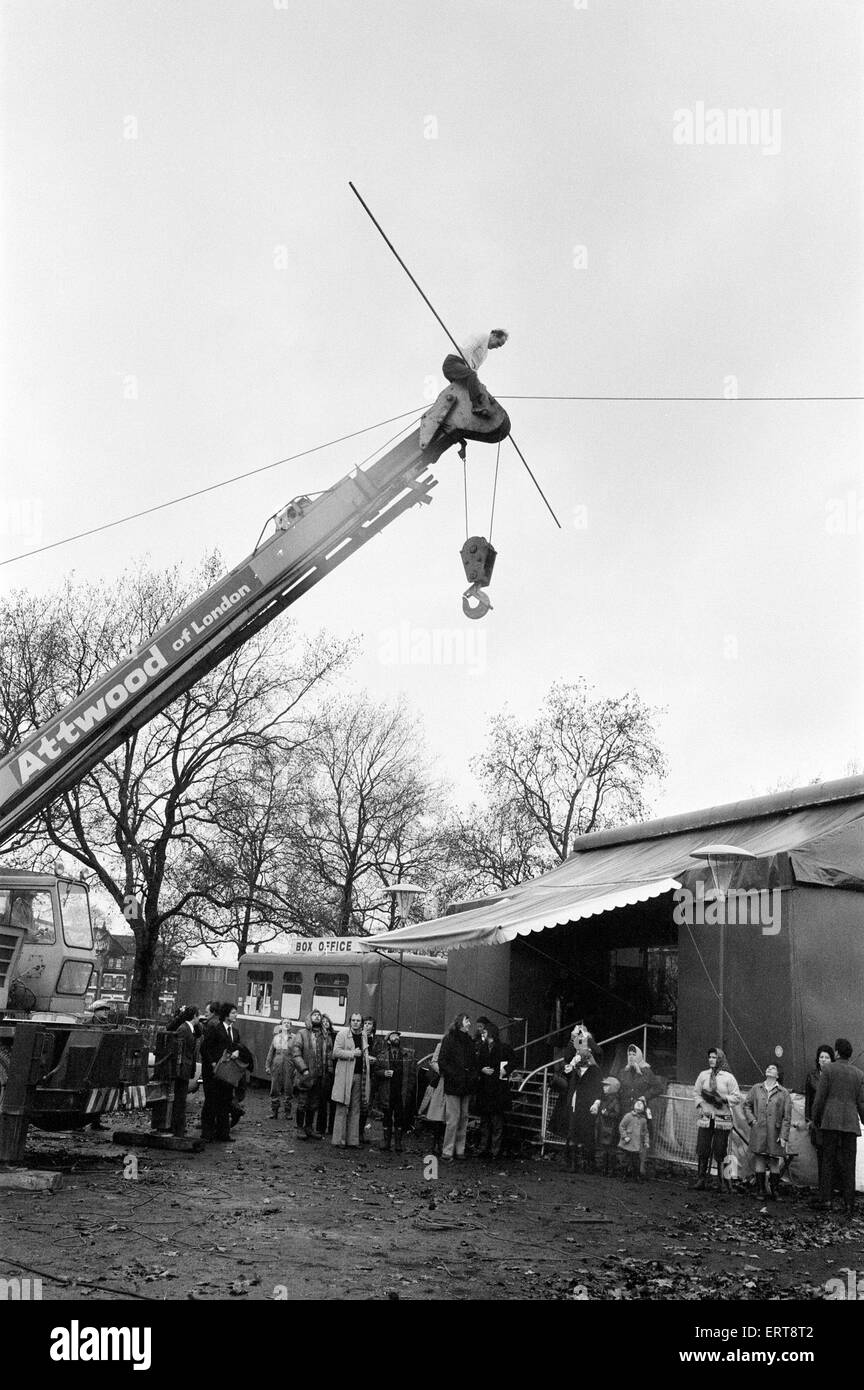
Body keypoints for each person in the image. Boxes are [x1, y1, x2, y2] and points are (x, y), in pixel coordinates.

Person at [811, 1037, 864, 1218]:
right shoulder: (858, 1074)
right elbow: (861, 1102)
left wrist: (815, 1118)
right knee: (849, 1164)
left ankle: (826, 1200)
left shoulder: (828, 1070)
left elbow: (820, 1098)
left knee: (828, 1161)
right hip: (850, 1123)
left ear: (836, 1053)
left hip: (830, 1121)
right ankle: (849, 1204)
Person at [692, 1047, 741, 1194]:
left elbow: (737, 1097)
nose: (711, 1060)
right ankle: (701, 1179)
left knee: (721, 1150)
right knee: (702, 1148)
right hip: (707, 1118)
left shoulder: (728, 1077)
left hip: (722, 1119)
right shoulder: (703, 1075)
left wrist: (723, 1098)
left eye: (714, 1057)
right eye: (710, 1057)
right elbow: (696, 1092)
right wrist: (701, 1104)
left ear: (720, 1058)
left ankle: (723, 1182)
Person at [744, 1064, 792, 1200]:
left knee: (774, 1161)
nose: (769, 1069)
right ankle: (760, 1190)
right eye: (768, 1067)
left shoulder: (784, 1093)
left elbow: (787, 1117)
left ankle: (775, 1191)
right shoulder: (756, 1088)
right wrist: (752, 1120)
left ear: (778, 1075)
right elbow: (746, 1105)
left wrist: (783, 1135)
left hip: (774, 1132)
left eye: (773, 1068)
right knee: (759, 1157)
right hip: (759, 1130)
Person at [152, 1004, 200, 1138]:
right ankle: (177, 1128)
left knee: (180, 1100)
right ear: (195, 1016)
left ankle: (178, 1127)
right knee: (179, 1100)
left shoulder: (190, 1028)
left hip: (185, 1068)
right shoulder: (184, 1029)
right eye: (198, 1015)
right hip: (182, 1069)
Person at [200, 1001, 242, 1143]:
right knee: (211, 1102)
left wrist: (237, 1051)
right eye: (233, 1013)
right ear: (226, 1015)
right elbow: (205, 1048)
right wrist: (212, 1062)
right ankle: (207, 1133)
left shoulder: (235, 1033)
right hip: (213, 1073)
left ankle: (223, 1133)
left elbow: (237, 1047)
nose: (236, 1015)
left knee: (225, 1101)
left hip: (227, 1073)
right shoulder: (216, 1029)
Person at [437, 1014, 477, 1162]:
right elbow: (443, 1061)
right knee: (454, 1119)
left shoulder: (467, 1041)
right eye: (467, 1020)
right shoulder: (450, 1039)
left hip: (463, 1084)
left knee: (462, 1118)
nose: (469, 1023)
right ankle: (449, 1150)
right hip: (455, 1084)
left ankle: (458, 1149)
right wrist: (458, 1075)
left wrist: (470, 1076)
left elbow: (474, 1062)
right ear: (461, 1023)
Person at [441, 329, 508, 418]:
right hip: (453, 363)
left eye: (500, 346)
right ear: (494, 335)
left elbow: (475, 369)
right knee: (471, 376)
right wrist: (471, 371)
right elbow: (468, 349)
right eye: (498, 343)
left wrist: (478, 384)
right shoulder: (483, 336)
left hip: (463, 368)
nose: (497, 347)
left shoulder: (485, 354)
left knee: (477, 386)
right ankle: (477, 406)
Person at [474, 1020, 514, 1163]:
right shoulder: (489, 1047)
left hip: (495, 1088)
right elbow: (477, 1064)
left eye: (484, 1032)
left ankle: (491, 1149)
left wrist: (505, 1070)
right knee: (488, 1121)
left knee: (494, 1121)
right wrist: (482, 1069)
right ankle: (488, 1148)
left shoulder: (501, 1048)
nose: (482, 1034)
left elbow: (513, 1061)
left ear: (490, 1033)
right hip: (490, 1088)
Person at [291, 1010, 330, 1139]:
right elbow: (296, 1053)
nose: (317, 1017)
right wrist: (304, 1069)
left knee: (313, 1104)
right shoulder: (302, 1034)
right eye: (315, 1015)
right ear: (309, 1018)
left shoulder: (324, 1035)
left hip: (319, 1076)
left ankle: (309, 1128)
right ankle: (300, 1129)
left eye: (319, 1015)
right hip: (305, 1076)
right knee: (302, 1103)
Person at [331, 1011, 367, 1148]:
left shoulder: (363, 1036)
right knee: (341, 1106)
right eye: (353, 1020)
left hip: (359, 1075)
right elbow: (335, 1052)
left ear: (361, 1023)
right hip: (344, 1075)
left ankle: (353, 1140)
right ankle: (339, 1140)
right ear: (350, 1022)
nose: (356, 1023)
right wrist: (353, 1053)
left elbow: (363, 1054)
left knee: (356, 1108)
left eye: (358, 1020)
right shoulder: (342, 1034)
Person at [565, 1046, 604, 1172]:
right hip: (574, 1105)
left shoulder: (595, 1071)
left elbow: (599, 1089)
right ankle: (572, 1164)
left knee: (587, 1135)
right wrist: (571, 1064)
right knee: (572, 1133)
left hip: (587, 1106)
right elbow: (564, 1074)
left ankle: (588, 1165)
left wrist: (596, 1103)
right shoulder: (574, 1069)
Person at [375, 1031, 416, 1153]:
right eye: (393, 1037)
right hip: (387, 1091)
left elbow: (412, 1075)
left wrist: (409, 1091)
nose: (396, 1038)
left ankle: (398, 1143)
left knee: (399, 1117)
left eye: (398, 1036)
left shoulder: (407, 1055)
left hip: (401, 1092)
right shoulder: (382, 1055)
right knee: (387, 1117)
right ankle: (386, 1142)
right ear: (388, 1041)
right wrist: (384, 1073)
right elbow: (376, 1071)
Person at [804, 1044, 835, 1191]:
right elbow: (809, 1100)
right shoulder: (812, 1076)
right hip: (817, 1122)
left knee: (834, 1156)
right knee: (821, 1155)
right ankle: (823, 1190)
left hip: (833, 1121)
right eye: (821, 1057)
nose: (823, 1060)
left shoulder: (835, 1075)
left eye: (827, 1057)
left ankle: (833, 1188)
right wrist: (808, 1120)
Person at [265, 1021, 298, 1121]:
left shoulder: (294, 1038)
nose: (286, 1024)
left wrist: (297, 1068)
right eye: (284, 1022)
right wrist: (267, 1065)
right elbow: (271, 1052)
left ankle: (287, 1113)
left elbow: (297, 1054)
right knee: (274, 1088)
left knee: (288, 1088)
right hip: (277, 1063)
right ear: (280, 1025)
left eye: (288, 1023)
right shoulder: (276, 1038)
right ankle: (274, 1112)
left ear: (291, 1026)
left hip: (289, 1063)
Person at [593, 1076, 622, 1175]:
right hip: (605, 1127)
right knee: (605, 1149)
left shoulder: (614, 1100)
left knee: (610, 1150)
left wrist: (606, 1114)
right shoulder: (606, 1098)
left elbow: (617, 1114)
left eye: (606, 1086)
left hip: (610, 1128)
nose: (604, 1088)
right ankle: (605, 1169)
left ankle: (610, 1170)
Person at [618, 1097, 651, 1180]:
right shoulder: (628, 1116)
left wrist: (646, 1142)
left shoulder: (643, 1120)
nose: (639, 1105)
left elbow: (645, 1132)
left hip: (637, 1145)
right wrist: (625, 1136)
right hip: (628, 1143)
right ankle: (623, 1175)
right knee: (625, 1160)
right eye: (637, 1103)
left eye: (641, 1104)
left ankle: (636, 1176)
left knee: (636, 1162)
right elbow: (622, 1126)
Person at [359, 1017, 379, 1145]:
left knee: (367, 1104)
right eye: (365, 1023)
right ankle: (356, 1132)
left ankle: (361, 1132)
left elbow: (381, 1055)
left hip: (371, 1075)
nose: (367, 1026)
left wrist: (375, 1059)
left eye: (369, 1024)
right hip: (360, 1072)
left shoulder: (377, 1041)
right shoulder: (359, 1037)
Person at [316, 1014, 337, 1135]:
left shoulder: (334, 1035)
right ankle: (320, 1128)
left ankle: (331, 1128)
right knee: (322, 1102)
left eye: (327, 1021)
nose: (325, 1022)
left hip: (332, 1071)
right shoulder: (317, 1036)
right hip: (321, 1072)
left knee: (333, 1101)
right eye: (323, 1021)